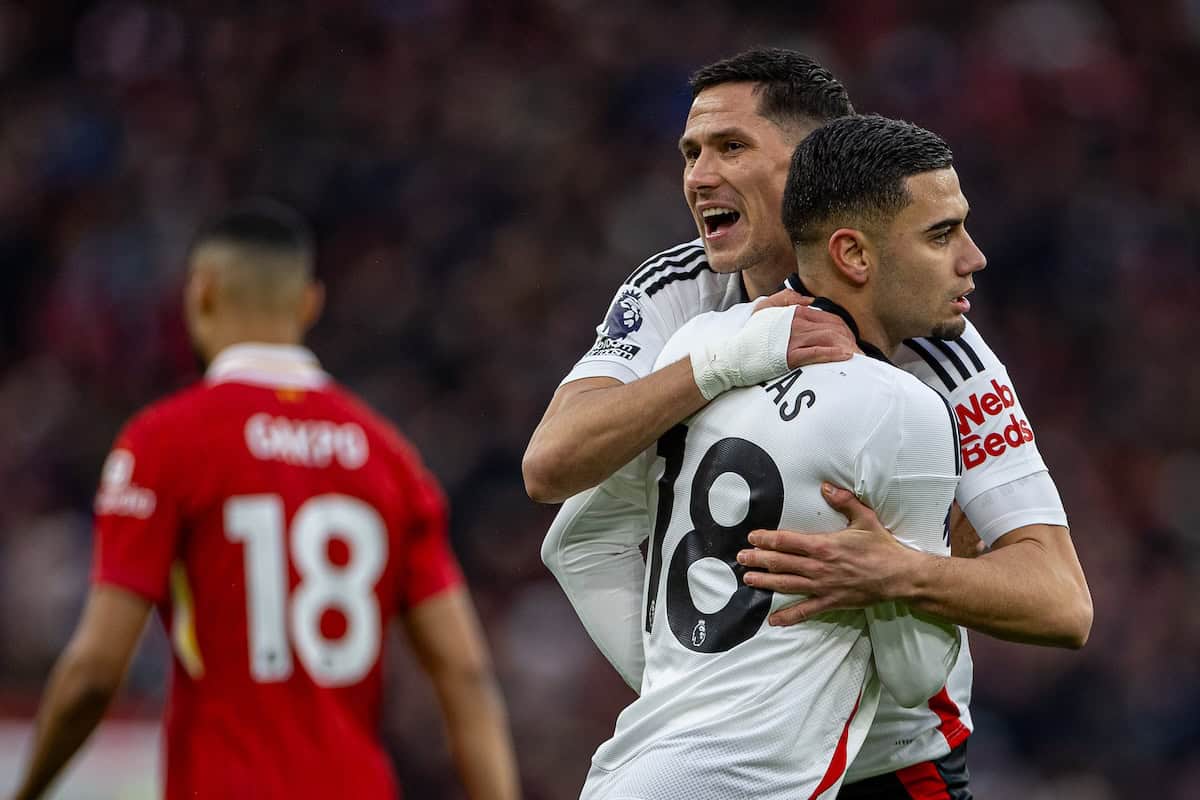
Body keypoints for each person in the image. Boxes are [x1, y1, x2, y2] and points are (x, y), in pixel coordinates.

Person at [534, 48, 1091, 799]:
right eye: (692, 153)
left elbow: (1061, 599)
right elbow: (551, 467)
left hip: (891, 761)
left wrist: (906, 573)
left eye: (731, 148)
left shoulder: (936, 347)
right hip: (729, 765)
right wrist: (699, 682)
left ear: (813, 167)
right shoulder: (680, 294)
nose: (699, 177)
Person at [11, 203, 520, 800]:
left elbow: (96, 672)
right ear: (309, 304)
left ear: (200, 294)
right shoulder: (389, 457)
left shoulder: (163, 442)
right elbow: (466, 674)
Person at [580, 114, 976, 800]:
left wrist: (682, 681)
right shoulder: (904, 408)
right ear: (853, 255)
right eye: (942, 235)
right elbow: (915, 679)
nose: (972, 257)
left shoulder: (695, 349)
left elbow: (578, 544)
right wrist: (906, 576)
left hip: (632, 768)